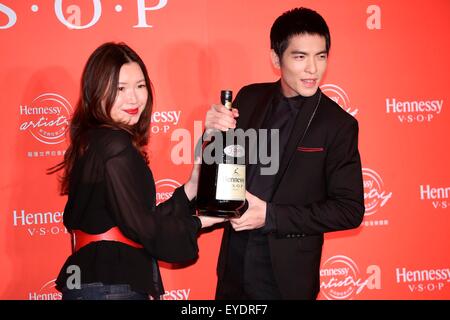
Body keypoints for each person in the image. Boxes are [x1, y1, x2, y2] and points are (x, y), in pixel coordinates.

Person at [205, 7, 365, 299]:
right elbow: (221, 174)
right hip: (234, 268)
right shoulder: (250, 98)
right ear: (276, 59)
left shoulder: (337, 124)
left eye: (321, 56)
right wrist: (212, 137)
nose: (313, 69)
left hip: (286, 279)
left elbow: (350, 210)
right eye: (300, 56)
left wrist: (270, 216)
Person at [49, 42, 224, 300]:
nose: (134, 98)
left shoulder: (95, 141)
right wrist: (199, 222)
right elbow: (143, 228)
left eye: (140, 86)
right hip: (110, 286)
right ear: (96, 91)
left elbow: (131, 221)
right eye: (120, 89)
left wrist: (190, 190)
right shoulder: (115, 145)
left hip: (92, 283)